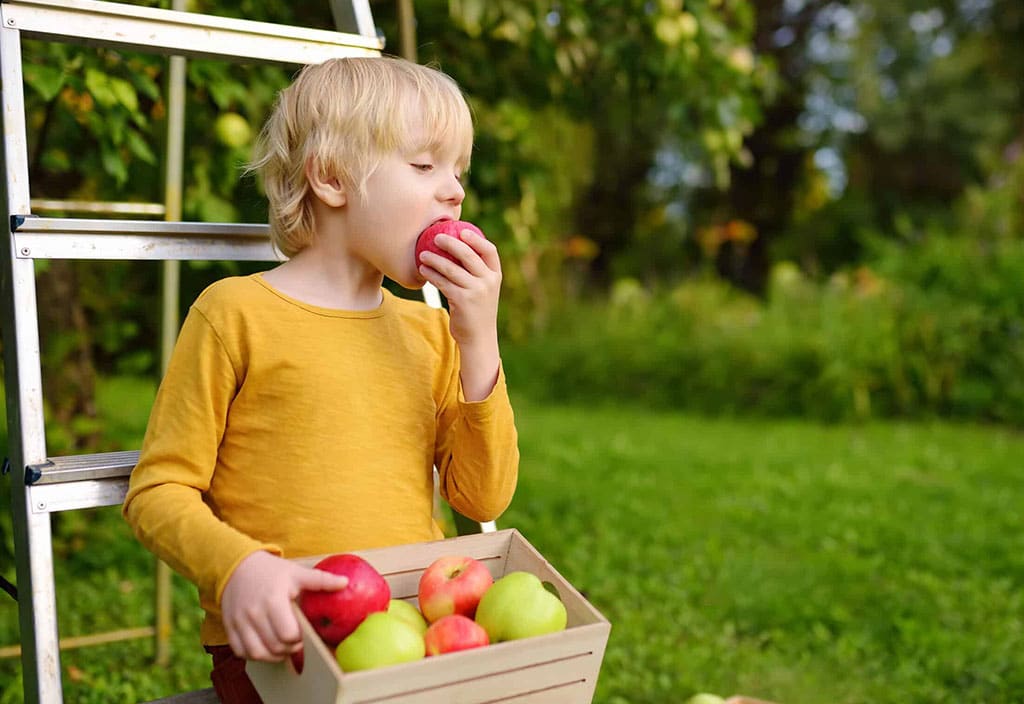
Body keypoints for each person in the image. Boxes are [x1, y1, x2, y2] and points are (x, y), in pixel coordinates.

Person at [123, 55, 519, 704]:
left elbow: (482, 499)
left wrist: (479, 342)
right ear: (331, 178)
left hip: (415, 635)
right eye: (424, 166)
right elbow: (158, 489)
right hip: (285, 644)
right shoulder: (235, 314)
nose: (453, 191)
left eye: (458, 173)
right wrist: (240, 571)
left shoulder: (430, 335)